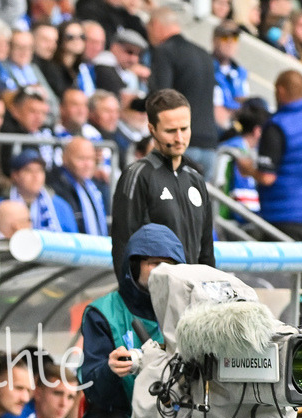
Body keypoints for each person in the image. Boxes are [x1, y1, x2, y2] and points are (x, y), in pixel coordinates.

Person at [78, 222, 185, 418]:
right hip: (120, 414)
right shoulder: (102, 312)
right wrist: (111, 371)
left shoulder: (190, 311)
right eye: (153, 263)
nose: (161, 271)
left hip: (177, 415)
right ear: (134, 265)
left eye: (168, 264)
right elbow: (90, 382)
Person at [110, 89, 214, 283]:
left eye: (184, 129)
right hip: (153, 299)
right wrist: (135, 302)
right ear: (152, 129)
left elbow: (206, 250)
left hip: (193, 300)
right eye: (170, 131)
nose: (179, 138)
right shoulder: (138, 175)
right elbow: (123, 245)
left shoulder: (196, 180)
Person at [238, 70, 302, 241]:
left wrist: (248, 169)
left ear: (280, 90)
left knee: (283, 267)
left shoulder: (276, 126)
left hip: (283, 215)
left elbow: (267, 177)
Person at [146, 7, 218, 179]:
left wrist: (133, 103)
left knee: (172, 203)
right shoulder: (204, 54)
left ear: (155, 25)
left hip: (181, 142)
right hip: (209, 145)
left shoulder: (165, 51)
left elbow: (161, 98)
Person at [0, 149, 76, 236]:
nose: (35, 176)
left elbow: (72, 240)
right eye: (29, 171)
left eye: (40, 171)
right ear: (15, 175)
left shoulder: (61, 206)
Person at [49, 136, 109, 235]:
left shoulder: (94, 186)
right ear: (65, 159)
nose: (87, 164)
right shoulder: (56, 186)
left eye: (90, 158)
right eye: (81, 158)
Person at [212, 20, 250, 132]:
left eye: (235, 38)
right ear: (214, 40)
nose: (230, 42)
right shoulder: (207, 68)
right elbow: (217, 115)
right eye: (225, 37)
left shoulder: (240, 73)